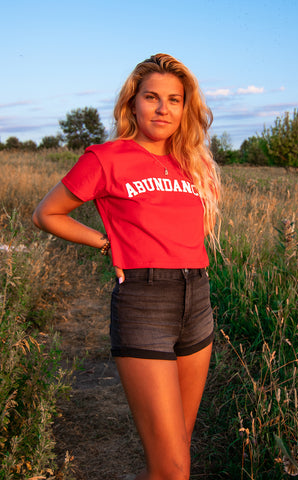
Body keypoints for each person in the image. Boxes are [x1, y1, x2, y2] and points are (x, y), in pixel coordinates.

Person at [32, 53, 220, 480]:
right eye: (151, 97)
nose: (163, 108)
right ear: (132, 103)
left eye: (174, 99)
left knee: (175, 458)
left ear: (184, 108)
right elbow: (47, 214)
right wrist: (105, 241)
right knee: (173, 469)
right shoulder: (107, 157)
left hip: (198, 301)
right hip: (144, 303)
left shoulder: (191, 162)